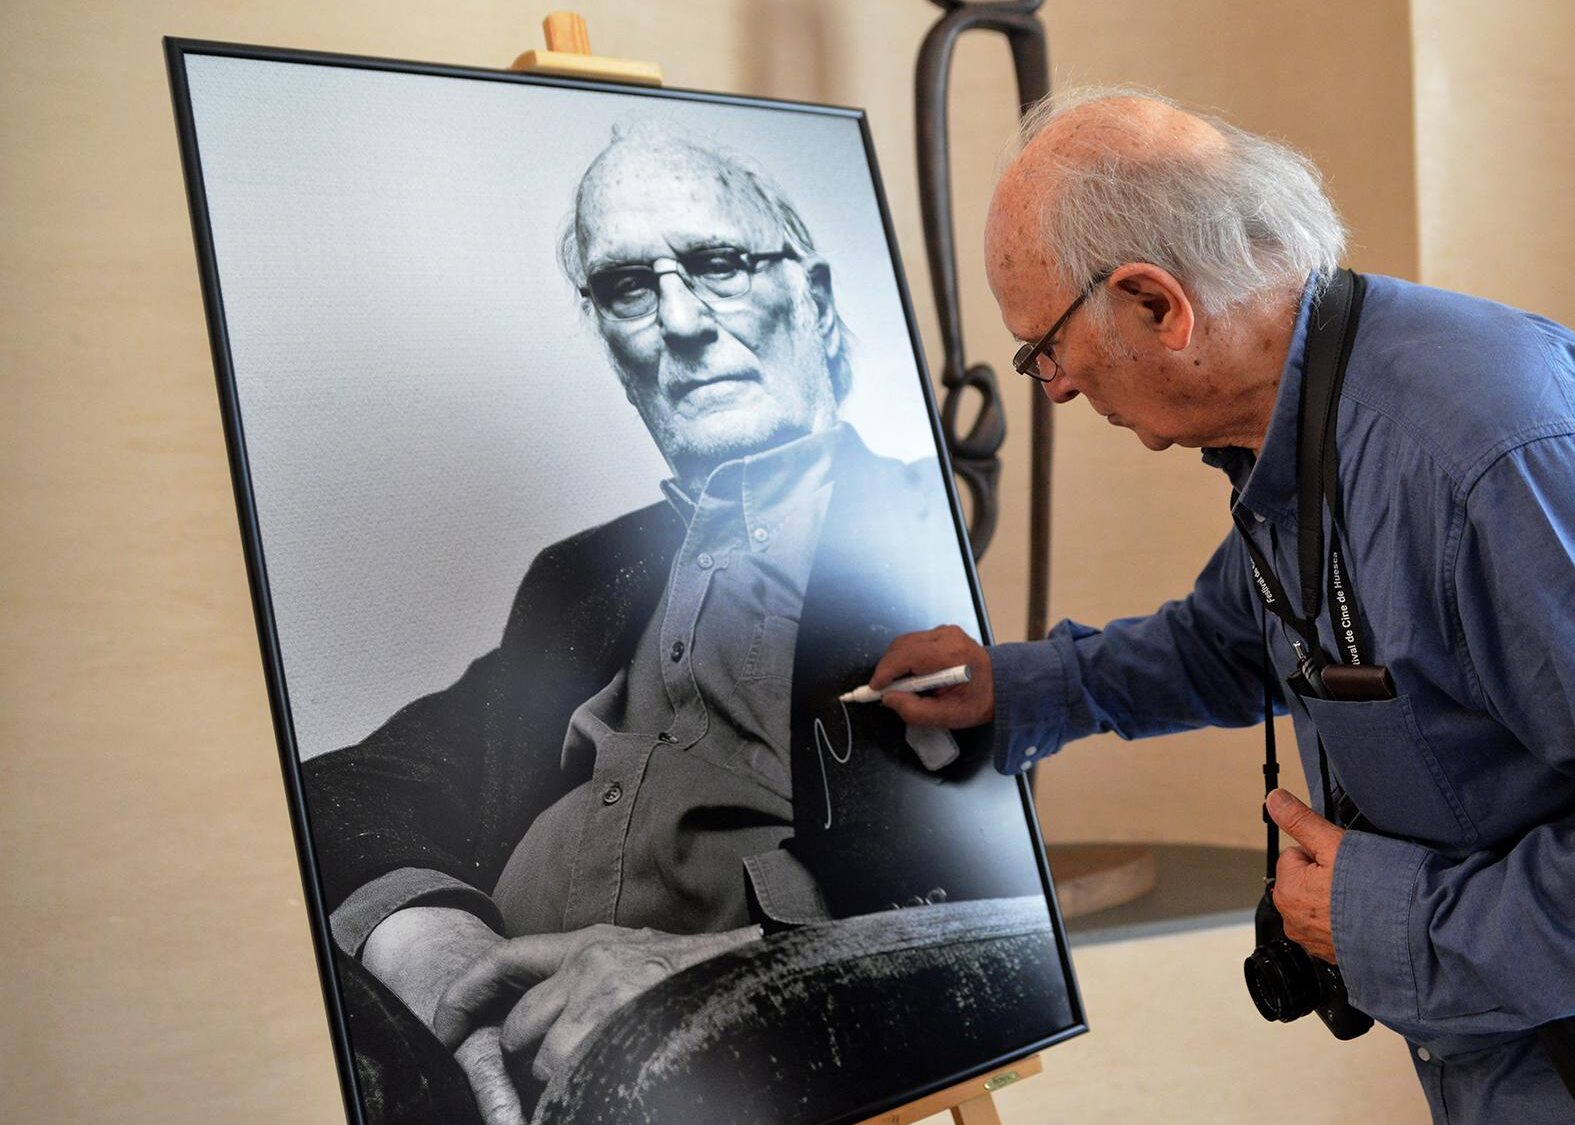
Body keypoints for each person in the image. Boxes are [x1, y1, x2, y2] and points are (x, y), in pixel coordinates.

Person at [872, 88, 1575, 1123]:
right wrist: (1012, 688)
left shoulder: (1497, 462)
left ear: (1156, 304)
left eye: (1044, 349)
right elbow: (1231, 643)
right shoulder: (1313, 421)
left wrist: (1380, 917)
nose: (1053, 385)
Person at [300, 122, 1041, 1124]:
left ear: (814, 303)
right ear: (608, 341)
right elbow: (354, 786)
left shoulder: (917, 533)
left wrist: (715, 980)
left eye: (718, 264)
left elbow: (986, 908)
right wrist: (435, 945)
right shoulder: (580, 577)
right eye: (629, 289)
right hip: (484, 1060)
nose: (681, 322)